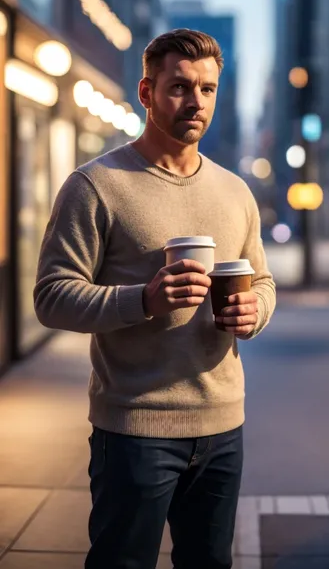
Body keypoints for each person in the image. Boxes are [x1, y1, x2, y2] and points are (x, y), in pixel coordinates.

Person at [34, 29, 276, 569]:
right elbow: (51, 297)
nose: (196, 102)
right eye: (180, 87)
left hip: (222, 426)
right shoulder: (95, 185)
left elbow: (262, 282)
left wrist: (253, 311)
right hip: (134, 431)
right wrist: (141, 299)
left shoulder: (235, 191)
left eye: (208, 89)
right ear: (146, 93)